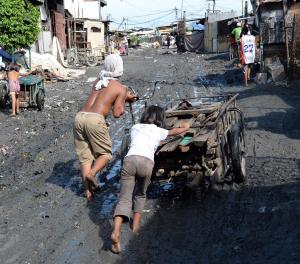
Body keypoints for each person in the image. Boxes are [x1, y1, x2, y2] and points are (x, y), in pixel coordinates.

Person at [111, 105, 190, 254]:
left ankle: (115, 232)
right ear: (160, 118)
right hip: (146, 163)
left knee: (124, 198)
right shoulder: (160, 131)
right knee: (140, 194)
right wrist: (185, 126)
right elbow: (177, 131)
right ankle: (135, 227)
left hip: (130, 160)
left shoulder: (135, 127)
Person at [73, 54, 137, 202]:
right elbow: (116, 113)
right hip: (95, 120)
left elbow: (103, 97)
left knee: (85, 158)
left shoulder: (98, 81)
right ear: (119, 68)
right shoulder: (121, 87)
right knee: (105, 155)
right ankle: (92, 174)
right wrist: (126, 99)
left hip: (80, 117)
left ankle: (88, 193)